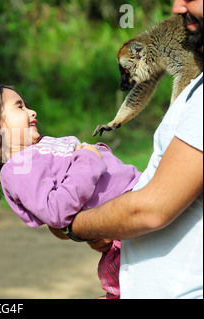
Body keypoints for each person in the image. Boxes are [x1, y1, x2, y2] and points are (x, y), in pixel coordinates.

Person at [0, 82, 141, 299]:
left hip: (137, 199)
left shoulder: (38, 151)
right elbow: (57, 211)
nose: (32, 111)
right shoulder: (17, 168)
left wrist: (95, 154)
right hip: (127, 232)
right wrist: (90, 158)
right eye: (19, 107)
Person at [55, 0, 203, 299]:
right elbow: (142, 87)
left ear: (139, 53)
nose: (176, 7)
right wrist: (117, 120)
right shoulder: (160, 58)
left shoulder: (193, 92)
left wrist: (76, 225)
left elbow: (149, 210)